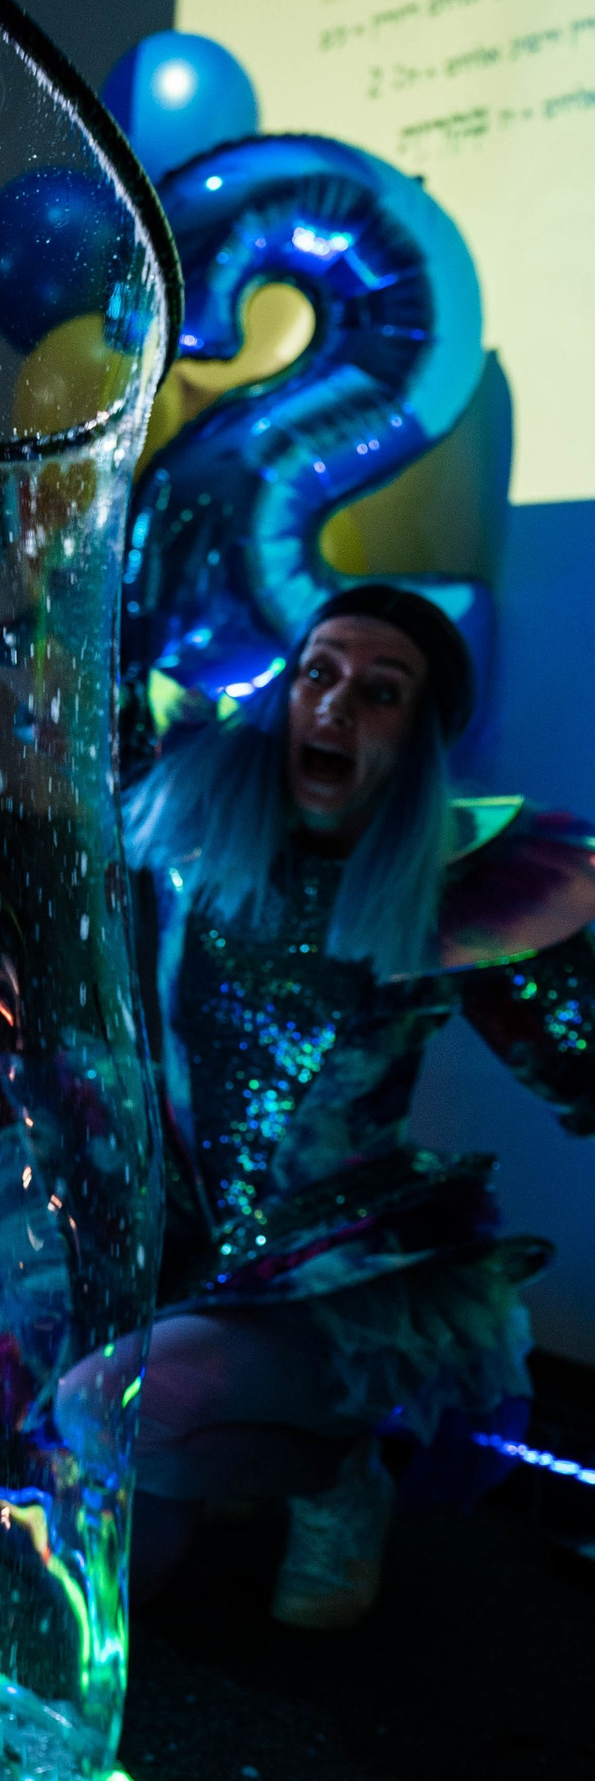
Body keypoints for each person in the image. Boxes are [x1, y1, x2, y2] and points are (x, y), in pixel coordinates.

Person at [85, 583, 595, 1627]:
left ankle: (337, 1479)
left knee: (107, 1406)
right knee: (124, 1569)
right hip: (177, 1230)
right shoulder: (202, 801)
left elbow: (581, 1065)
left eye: (380, 691)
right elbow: (41, 656)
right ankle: (231, 1456)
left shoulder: (454, 890)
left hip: (335, 1272)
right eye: (318, 673)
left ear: (418, 738)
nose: (335, 705)